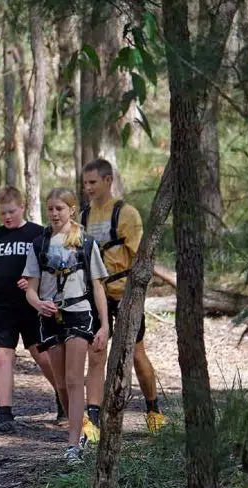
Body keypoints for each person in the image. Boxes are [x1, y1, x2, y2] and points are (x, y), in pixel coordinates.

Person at [81, 159, 166, 438]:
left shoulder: (127, 213)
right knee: (96, 354)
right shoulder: (82, 216)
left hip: (125, 294)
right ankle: (92, 419)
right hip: (96, 295)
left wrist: (136, 293)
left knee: (137, 355)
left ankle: (153, 411)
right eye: (85, 183)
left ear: (108, 180)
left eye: (93, 182)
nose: (88, 188)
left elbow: (141, 258)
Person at [23, 189, 110, 464]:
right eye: (50, 208)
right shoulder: (38, 244)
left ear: (71, 209)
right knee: (60, 382)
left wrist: (104, 325)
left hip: (79, 313)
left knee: (74, 379)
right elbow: (31, 289)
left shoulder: (86, 242)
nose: (54, 213)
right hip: (49, 315)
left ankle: (73, 445)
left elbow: (98, 286)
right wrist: (38, 304)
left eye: (60, 208)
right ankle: (80, 423)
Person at [0, 187, 61, 430]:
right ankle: (4, 414)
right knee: (2, 355)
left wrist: (35, 285)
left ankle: (64, 397)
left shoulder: (38, 234)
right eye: (2, 213)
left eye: (11, 211)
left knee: (43, 355)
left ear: (22, 207)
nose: (7, 217)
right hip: (1, 308)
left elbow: (52, 269)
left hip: (32, 306)